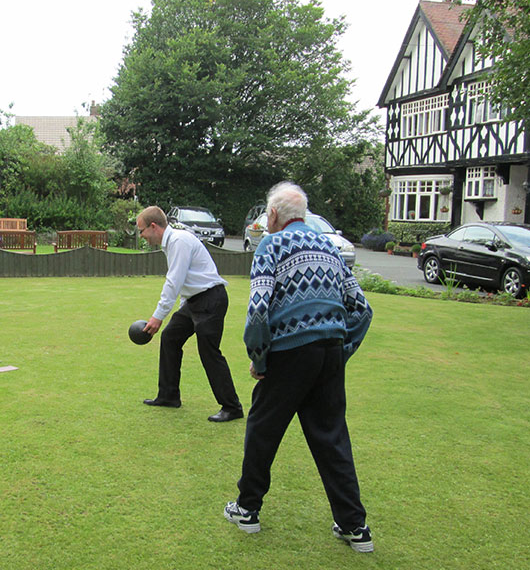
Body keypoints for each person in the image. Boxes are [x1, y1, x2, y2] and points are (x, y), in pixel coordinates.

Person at [223, 182, 374, 552]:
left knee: (262, 429)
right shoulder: (330, 247)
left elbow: (259, 310)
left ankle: (247, 509)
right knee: (332, 437)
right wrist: (341, 351)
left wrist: (260, 358)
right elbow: (362, 309)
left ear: (273, 215)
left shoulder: (271, 245)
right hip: (329, 351)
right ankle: (355, 527)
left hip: (290, 354)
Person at [136, 206, 243, 423]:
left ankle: (232, 407)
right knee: (170, 337)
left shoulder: (179, 241)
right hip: (194, 301)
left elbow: (174, 281)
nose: (141, 236)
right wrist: (180, 310)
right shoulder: (171, 243)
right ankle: (168, 396)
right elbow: (186, 280)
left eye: (141, 230)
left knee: (209, 352)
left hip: (211, 300)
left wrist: (158, 316)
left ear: (153, 226)